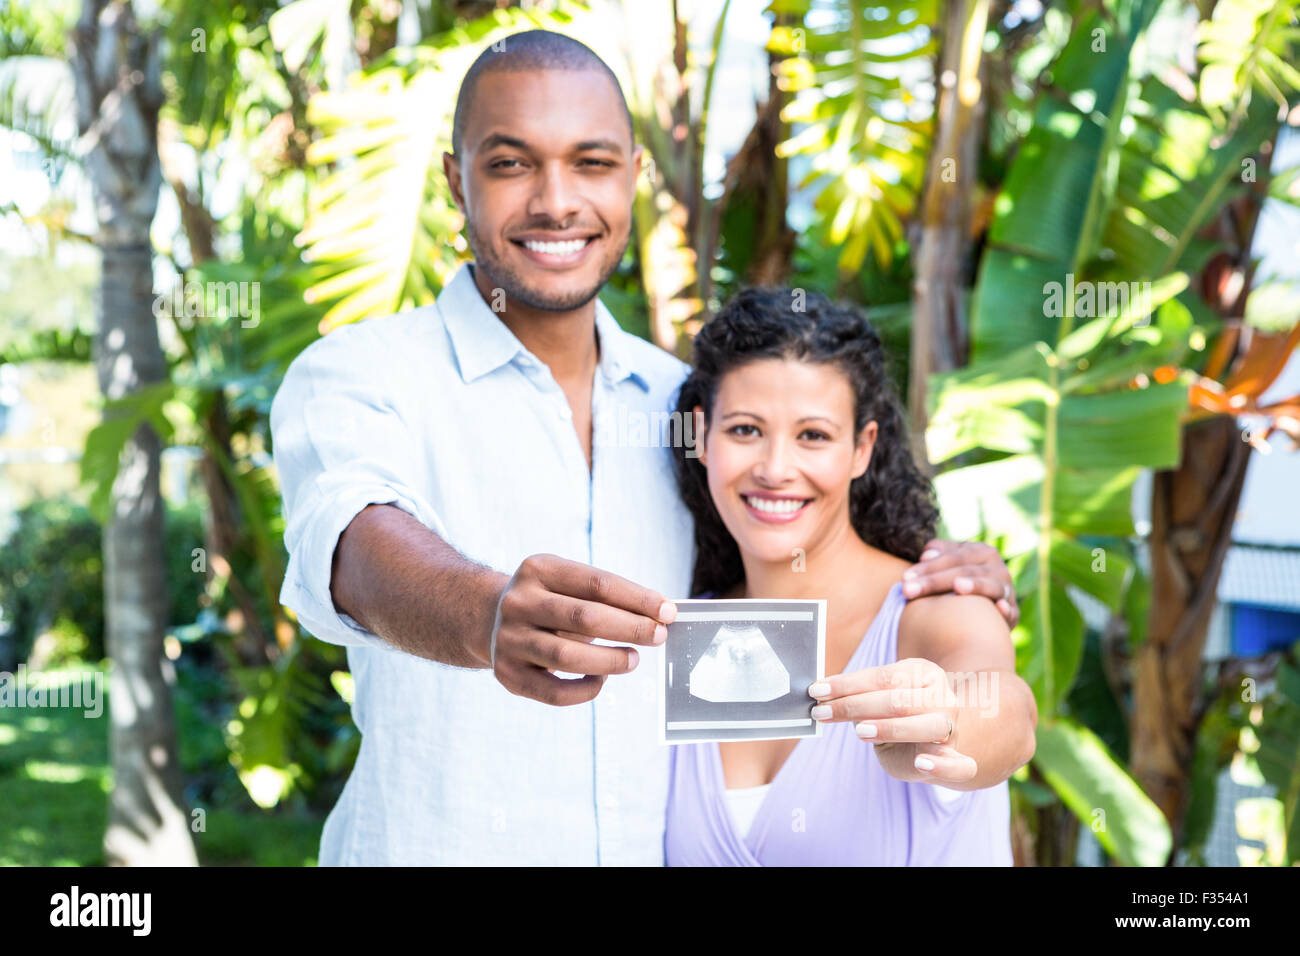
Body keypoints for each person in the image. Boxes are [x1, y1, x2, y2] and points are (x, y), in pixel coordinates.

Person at [270, 29, 1021, 866]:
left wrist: (955, 594)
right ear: (456, 178)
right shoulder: (361, 375)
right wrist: (488, 616)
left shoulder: (689, 412)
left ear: (633, 173)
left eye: (590, 163)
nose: (556, 201)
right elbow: (354, 548)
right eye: (511, 163)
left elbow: (833, 599)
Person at [664, 288, 1037, 865]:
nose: (774, 469)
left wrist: (947, 722)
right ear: (702, 437)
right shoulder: (686, 630)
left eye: (812, 435)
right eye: (744, 430)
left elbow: (1006, 710)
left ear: (862, 448)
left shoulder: (938, 607)